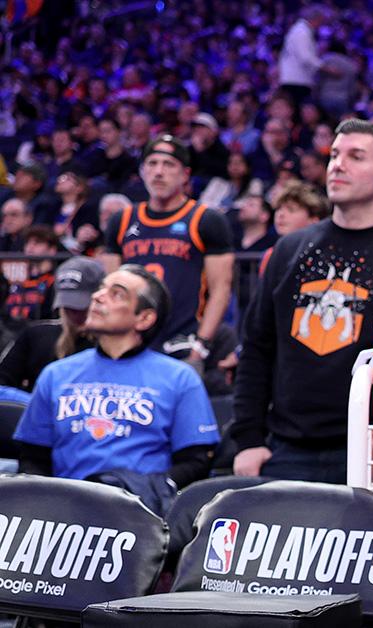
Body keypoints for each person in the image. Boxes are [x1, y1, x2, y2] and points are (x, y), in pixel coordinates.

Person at [230, 119, 373, 484]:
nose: (337, 164)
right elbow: (257, 348)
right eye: (334, 154)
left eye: (356, 156)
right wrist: (249, 440)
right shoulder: (289, 249)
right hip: (288, 448)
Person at [13, 264, 219, 514]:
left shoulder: (180, 378)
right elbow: (33, 456)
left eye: (116, 293)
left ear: (144, 318)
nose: (98, 296)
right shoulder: (56, 374)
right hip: (64, 514)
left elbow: (196, 460)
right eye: (101, 289)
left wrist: (150, 490)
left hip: (141, 516)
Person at [101, 134, 235, 367]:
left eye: (168, 164)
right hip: (131, 342)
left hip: (182, 342)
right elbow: (111, 288)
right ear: (142, 171)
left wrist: (200, 348)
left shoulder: (206, 219)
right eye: (152, 164)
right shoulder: (121, 221)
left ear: (185, 174)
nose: (159, 172)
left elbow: (221, 289)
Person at [0, 257, 102, 392]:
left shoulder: (111, 343)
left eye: (81, 307)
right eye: (68, 307)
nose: (75, 313)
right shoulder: (36, 335)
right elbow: (3, 381)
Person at [278, 6, 328, 106]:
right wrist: (326, 68)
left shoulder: (301, 30)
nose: (322, 25)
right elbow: (306, 57)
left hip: (297, 80)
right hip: (297, 81)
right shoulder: (301, 32)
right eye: (322, 21)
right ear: (317, 19)